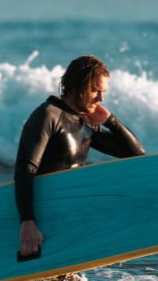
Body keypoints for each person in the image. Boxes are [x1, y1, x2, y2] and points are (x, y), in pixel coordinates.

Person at [14, 55, 145, 263]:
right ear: (78, 85)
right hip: (37, 222)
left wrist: (110, 120)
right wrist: (27, 222)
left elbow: (136, 154)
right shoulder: (48, 115)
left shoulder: (85, 124)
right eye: (96, 91)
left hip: (67, 223)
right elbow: (25, 170)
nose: (100, 99)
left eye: (103, 92)